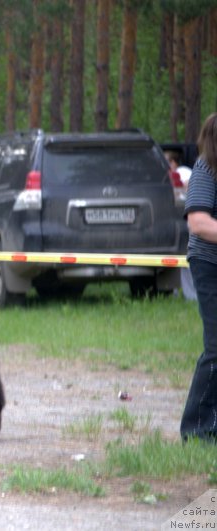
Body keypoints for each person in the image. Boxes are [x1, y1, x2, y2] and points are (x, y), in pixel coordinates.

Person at [180, 112, 217, 442]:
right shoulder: (206, 169)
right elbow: (199, 223)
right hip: (209, 266)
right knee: (216, 348)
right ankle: (196, 430)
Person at [166, 150, 197, 301]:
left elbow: (191, 187)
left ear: (174, 162)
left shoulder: (183, 172)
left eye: (168, 161)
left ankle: (191, 295)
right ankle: (181, 292)